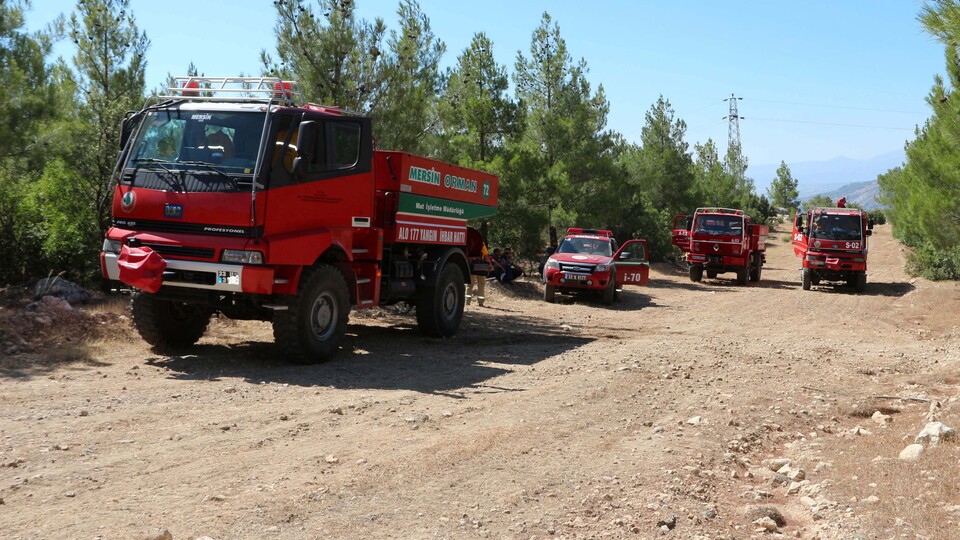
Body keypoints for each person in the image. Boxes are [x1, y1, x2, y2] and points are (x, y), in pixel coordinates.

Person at [466, 228, 492, 307]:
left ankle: (468, 302)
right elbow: (486, 255)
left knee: (470, 284)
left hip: (471, 266)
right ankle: (480, 302)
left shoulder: (467, 242)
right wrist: (490, 265)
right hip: (480, 266)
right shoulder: (481, 243)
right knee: (481, 284)